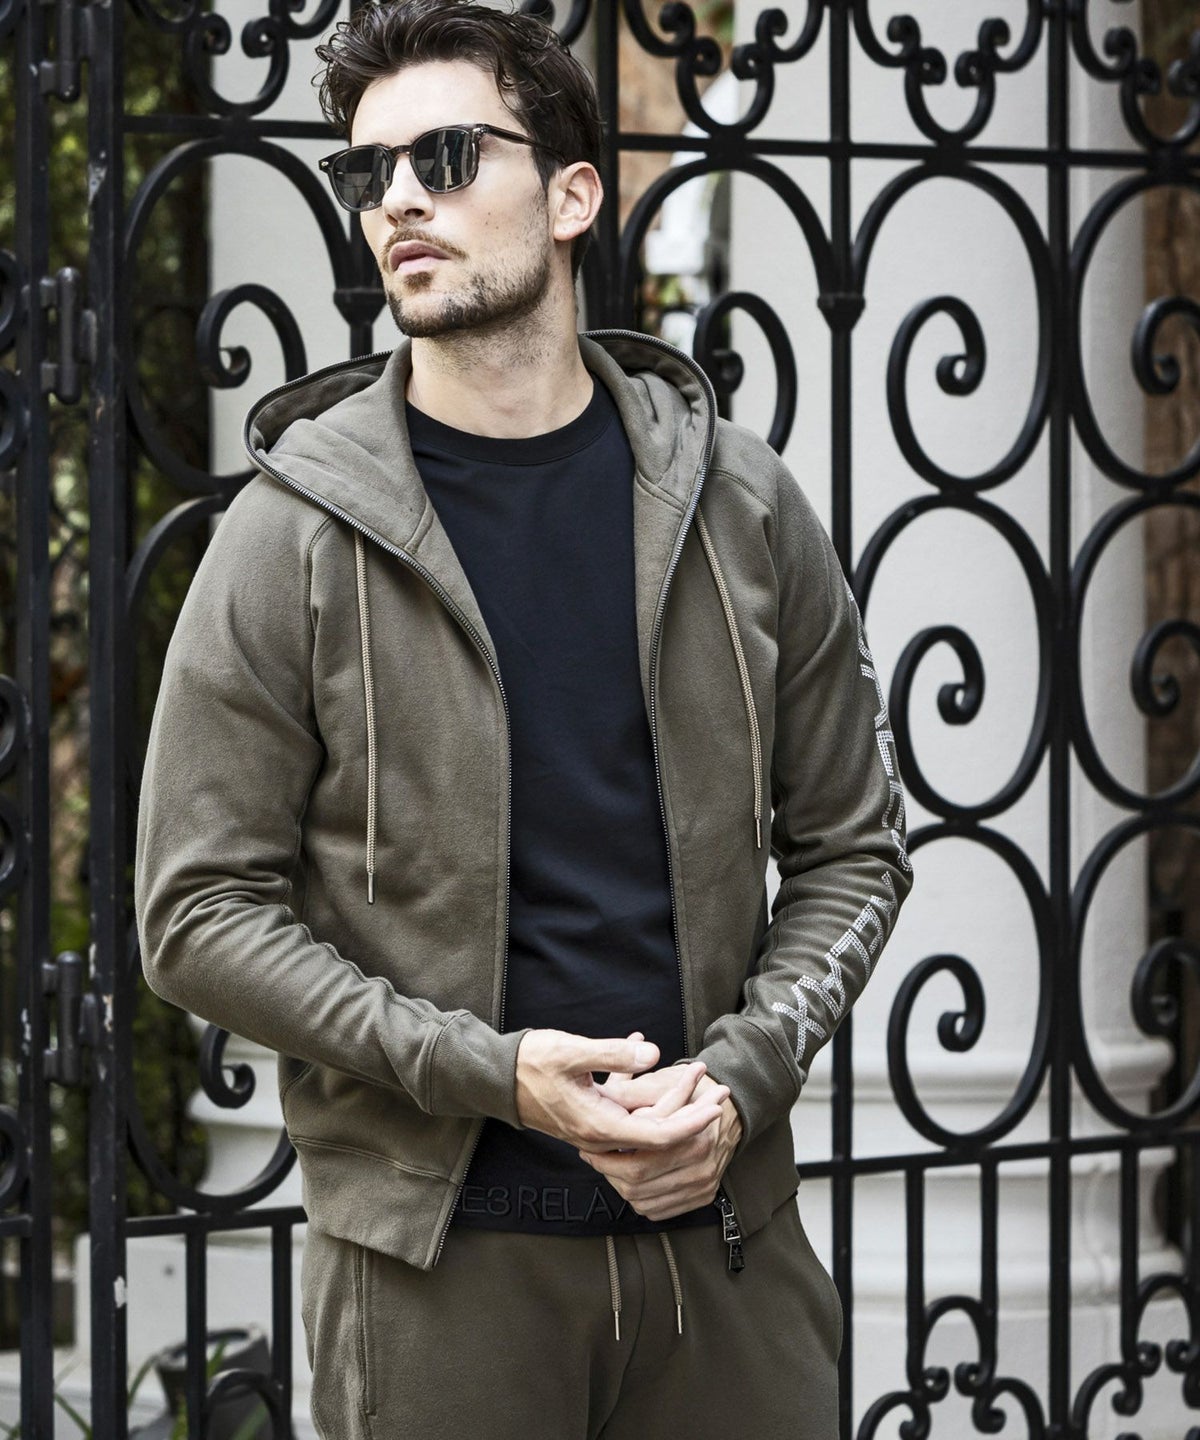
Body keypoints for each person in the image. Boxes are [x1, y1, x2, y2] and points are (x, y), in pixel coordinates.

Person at [135, 2, 913, 1436]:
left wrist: (740, 1083)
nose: (398, 201)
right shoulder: (291, 531)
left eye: (443, 155)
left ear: (572, 196)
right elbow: (195, 914)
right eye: (367, 173)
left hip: (728, 1263)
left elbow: (856, 849)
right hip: (442, 1281)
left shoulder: (738, 502)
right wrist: (494, 1075)